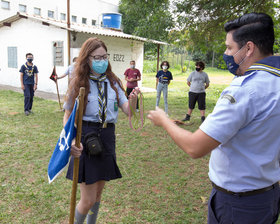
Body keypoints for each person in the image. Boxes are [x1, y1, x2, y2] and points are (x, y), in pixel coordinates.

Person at [148, 13, 280, 224]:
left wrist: (164, 120)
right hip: (268, 196)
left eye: (229, 47)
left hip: (238, 205)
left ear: (249, 48)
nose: (226, 53)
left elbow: (195, 147)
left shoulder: (244, 90)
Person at [63, 37, 139, 224]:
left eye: (104, 56)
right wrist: (73, 141)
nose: (102, 61)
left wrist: (134, 99)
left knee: (97, 196)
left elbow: (128, 110)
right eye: (97, 57)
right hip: (86, 137)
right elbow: (67, 117)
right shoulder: (79, 82)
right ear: (87, 59)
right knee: (87, 199)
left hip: (107, 137)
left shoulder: (113, 81)